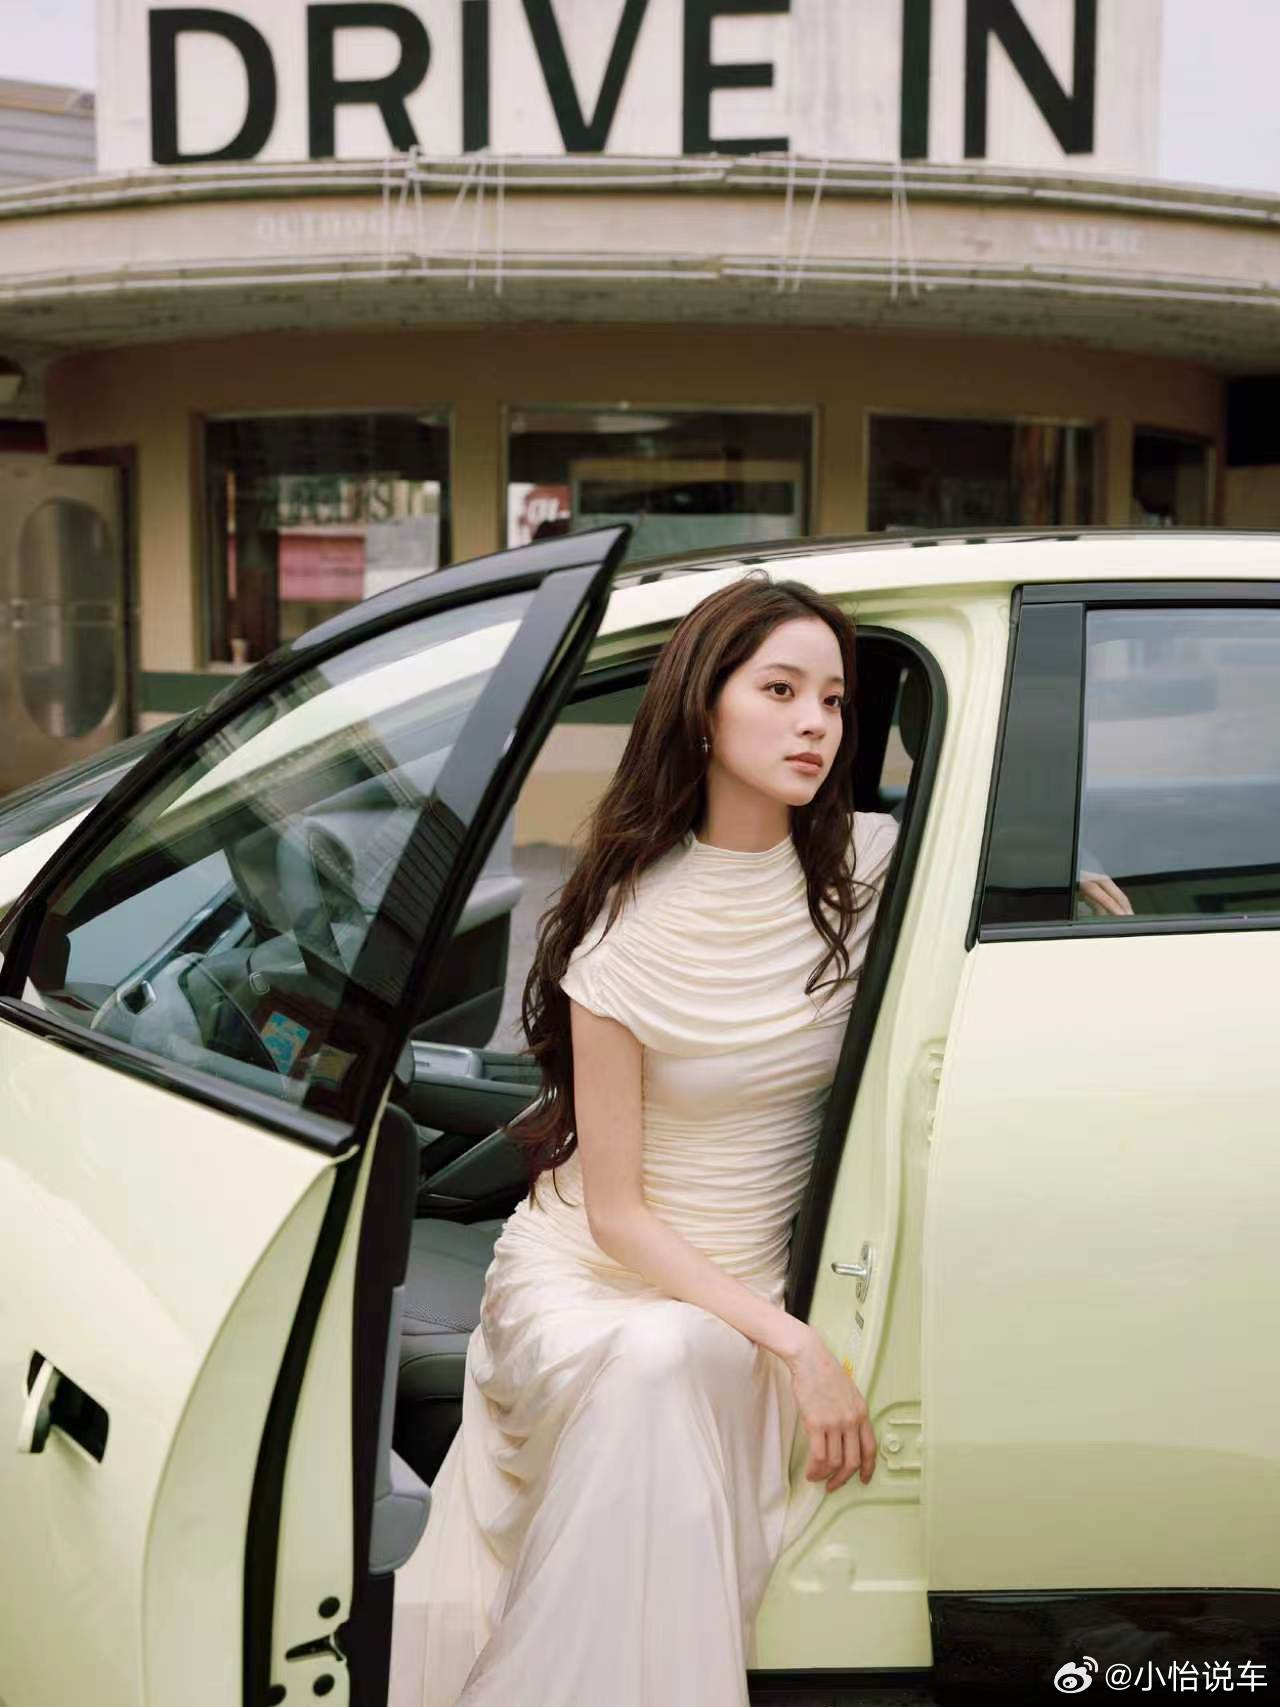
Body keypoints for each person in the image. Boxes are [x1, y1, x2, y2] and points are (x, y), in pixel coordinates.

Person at [388, 568, 1125, 1704]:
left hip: (741, 1271)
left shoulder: (876, 868)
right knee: (653, 1360)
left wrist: (1069, 887)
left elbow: (1001, 901)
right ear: (703, 709)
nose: (813, 724)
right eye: (779, 691)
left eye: (831, 700)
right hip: (600, 1271)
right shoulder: (618, 931)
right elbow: (617, 1214)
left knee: (668, 1362)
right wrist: (795, 1345)